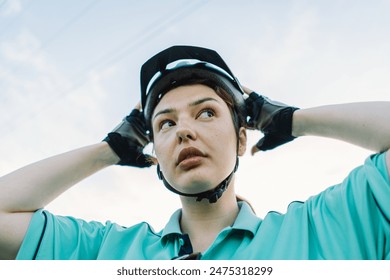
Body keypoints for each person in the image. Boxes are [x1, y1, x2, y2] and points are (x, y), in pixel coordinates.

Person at [0, 45, 389, 260]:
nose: (183, 129)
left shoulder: (324, 228)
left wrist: (290, 119)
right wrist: (109, 149)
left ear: (242, 139)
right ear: (152, 151)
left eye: (206, 112)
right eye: (165, 124)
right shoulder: (106, 252)